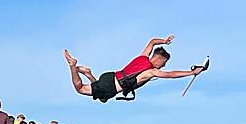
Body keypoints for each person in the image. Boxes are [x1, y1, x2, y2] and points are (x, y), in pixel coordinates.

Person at [63, 35, 204, 102]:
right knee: (80, 89)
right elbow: (171, 74)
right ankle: (73, 67)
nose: (163, 66)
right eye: (163, 63)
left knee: (102, 98)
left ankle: (88, 73)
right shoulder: (150, 72)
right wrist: (191, 72)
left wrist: (164, 41)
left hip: (110, 77)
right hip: (112, 85)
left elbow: (152, 41)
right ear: (159, 59)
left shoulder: (143, 56)